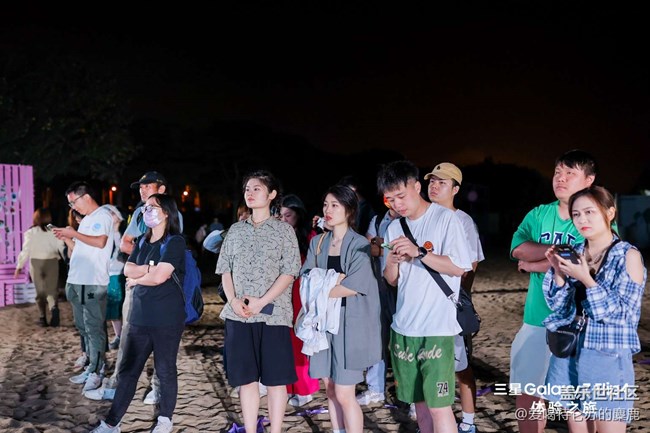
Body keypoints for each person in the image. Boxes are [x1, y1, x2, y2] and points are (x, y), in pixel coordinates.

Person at [377, 160, 472, 433]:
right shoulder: (394, 228)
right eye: (391, 199)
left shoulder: (445, 219)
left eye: (401, 196)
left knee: (439, 406)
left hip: (437, 329)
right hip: (404, 327)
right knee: (419, 405)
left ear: (417, 187)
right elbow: (392, 279)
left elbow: (459, 267)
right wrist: (392, 261)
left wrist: (419, 252)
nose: (397, 204)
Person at [543, 186, 646, 432]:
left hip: (607, 353)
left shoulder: (627, 256)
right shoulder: (575, 253)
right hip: (570, 349)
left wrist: (586, 279)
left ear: (610, 213)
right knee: (577, 423)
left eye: (589, 212)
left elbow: (624, 315)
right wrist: (558, 272)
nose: (582, 220)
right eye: (576, 214)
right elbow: (558, 307)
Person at [510, 150, 596, 433]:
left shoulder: (597, 216)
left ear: (589, 180)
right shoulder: (539, 214)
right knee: (529, 395)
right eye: (558, 172)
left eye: (570, 173)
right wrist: (557, 255)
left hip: (578, 324)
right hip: (536, 319)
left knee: (579, 402)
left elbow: (587, 262)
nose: (561, 178)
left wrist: (534, 265)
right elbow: (518, 249)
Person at [90, 194, 186, 433]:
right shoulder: (142, 240)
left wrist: (139, 278)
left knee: (165, 370)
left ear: (166, 212)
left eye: (153, 207)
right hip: (139, 317)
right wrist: (146, 270)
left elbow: (160, 277)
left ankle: (165, 420)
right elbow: (128, 269)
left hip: (167, 318)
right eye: (145, 207)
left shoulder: (175, 242)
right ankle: (112, 423)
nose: (147, 211)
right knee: (128, 371)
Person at [216, 170, 301, 433]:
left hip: (274, 315)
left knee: (276, 380)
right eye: (247, 189)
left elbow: (290, 272)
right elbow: (225, 270)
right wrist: (233, 301)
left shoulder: (284, 230)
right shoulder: (235, 231)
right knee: (246, 379)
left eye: (257, 189)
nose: (250, 193)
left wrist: (261, 302)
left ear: (272, 194)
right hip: (239, 315)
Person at [300, 184, 382, 433]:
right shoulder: (318, 243)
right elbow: (306, 279)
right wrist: (334, 281)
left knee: (345, 393)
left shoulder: (359, 244)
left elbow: (355, 285)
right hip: (323, 323)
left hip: (350, 325)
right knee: (331, 390)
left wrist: (322, 285)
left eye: (335, 205)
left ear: (349, 210)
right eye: (326, 204)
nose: (328, 210)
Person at [113, 170, 183, 405]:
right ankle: (120, 386)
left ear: (162, 189)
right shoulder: (139, 213)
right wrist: (146, 266)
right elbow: (126, 246)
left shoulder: (170, 215)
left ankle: (157, 390)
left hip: (163, 297)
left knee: (164, 358)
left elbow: (165, 266)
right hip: (140, 289)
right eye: (140, 187)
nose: (142, 190)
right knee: (129, 339)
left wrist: (141, 271)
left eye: (147, 186)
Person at [426, 162, 484, 433]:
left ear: (456, 189)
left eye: (442, 183)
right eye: (432, 181)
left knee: (461, 366)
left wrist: (460, 300)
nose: (434, 186)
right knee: (429, 365)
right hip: (423, 306)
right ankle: (433, 419)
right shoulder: (421, 218)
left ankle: (468, 421)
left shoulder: (463, 221)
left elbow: (471, 265)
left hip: (450, 305)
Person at [53, 182, 114, 393]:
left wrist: (73, 233)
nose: (73, 207)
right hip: (77, 279)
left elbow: (100, 242)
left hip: (93, 281)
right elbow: (81, 248)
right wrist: (68, 238)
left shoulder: (102, 216)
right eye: (70, 203)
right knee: (82, 326)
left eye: (73, 201)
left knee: (94, 327)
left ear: (86, 196)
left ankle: (97, 370)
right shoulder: (87, 219)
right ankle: (91, 366)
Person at [356, 196, 398, 407]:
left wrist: (382, 245)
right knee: (377, 338)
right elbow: (368, 247)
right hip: (380, 286)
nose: (391, 200)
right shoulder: (379, 219)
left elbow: (378, 246)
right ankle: (375, 388)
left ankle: (407, 392)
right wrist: (387, 247)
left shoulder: (410, 220)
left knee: (403, 341)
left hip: (404, 288)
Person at [279, 194, 320, 407]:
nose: (284, 219)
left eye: (288, 215)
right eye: (281, 216)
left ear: (298, 215)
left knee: (301, 339)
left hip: (302, 292)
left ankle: (305, 389)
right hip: (283, 291)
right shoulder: (278, 236)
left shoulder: (310, 236)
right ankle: (289, 387)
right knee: (285, 340)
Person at [14, 208, 65, 327]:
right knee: (52, 289)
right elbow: (61, 246)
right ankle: (53, 308)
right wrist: (67, 259)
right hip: (52, 261)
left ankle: (42, 317)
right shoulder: (54, 230)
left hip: (36, 263)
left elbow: (26, 250)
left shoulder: (31, 232)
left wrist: (19, 266)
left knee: (40, 291)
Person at [102, 205, 126, 351]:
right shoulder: (106, 234)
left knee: (122, 305)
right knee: (113, 306)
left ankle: (123, 335)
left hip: (124, 272)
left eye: (112, 213)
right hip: (110, 273)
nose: (110, 216)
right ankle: (119, 335)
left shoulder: (126, 233)